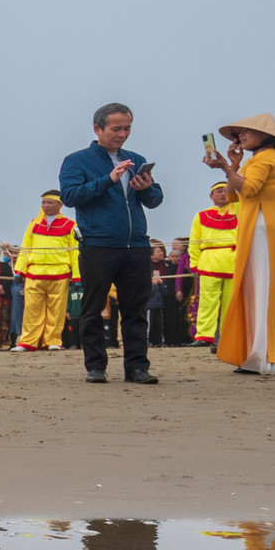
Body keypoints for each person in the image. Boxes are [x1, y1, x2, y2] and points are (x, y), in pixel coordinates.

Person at [59, 102, 163, 384]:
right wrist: (108, 180)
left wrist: (147, 188)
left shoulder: (135, 158)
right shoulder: (77, 161)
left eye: (127, 128)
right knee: (92, 309)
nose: (122, 134)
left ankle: (137, 367)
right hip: (98, 245)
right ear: (98, 128)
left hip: (137, 246)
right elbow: (69, 196)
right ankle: (95, 367)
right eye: (116, 128)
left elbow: (154, 201)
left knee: (135, 310)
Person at [204, 112, 275, 375]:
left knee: (260, 288)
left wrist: (226, 167)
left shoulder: (266, 158)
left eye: (245, 132)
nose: (240, 137)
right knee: (259, 288)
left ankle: (261, 356)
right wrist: (233, 165)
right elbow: (233, 195)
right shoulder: (256, 159)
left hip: (262, 228)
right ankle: (260, 354)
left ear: (266, 136)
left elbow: (248, 190)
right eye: (238, 134)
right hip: (258, 226)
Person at [12, 192, 78, 351]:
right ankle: (28, 341)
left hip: (59, 274)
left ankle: (53, 341)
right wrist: (19, 271)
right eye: (43, 202)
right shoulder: (34, 223)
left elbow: (75, 253)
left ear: (60, 205)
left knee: (57, 310)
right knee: (31, 310)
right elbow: (25, 247)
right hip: (35, 273)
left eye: (49, 202)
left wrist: (77, 275)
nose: (45, 206)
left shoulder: (70, 225)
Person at [188, 180, 239, 347]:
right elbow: (194, 242)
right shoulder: (201, 215)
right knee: (207, 301)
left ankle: (228, 336)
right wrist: (195, 264)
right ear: (211, 196)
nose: (223, 194)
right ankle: (204, 335)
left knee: (231, 303)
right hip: (209, 262)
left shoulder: (239, 212)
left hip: (233, 261)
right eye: (219, 191)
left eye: (226, 190)